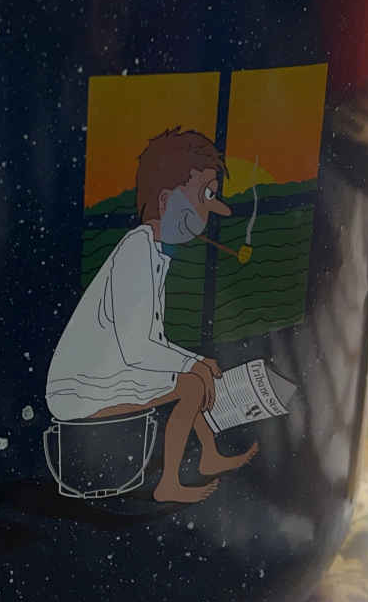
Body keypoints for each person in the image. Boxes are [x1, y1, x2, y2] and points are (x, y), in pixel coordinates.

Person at [46, 127, 259, 503]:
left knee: (194, 376)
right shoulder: (136, 252)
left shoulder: (154, 251)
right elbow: (136, 348)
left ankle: (208, 455)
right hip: (81, 388)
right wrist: (192, 365)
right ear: (165, 200)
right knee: (191, 384)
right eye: (205, 195)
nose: (211, 211)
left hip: (107, 373)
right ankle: (169, 484)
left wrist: (194, 361)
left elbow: (151, 340)